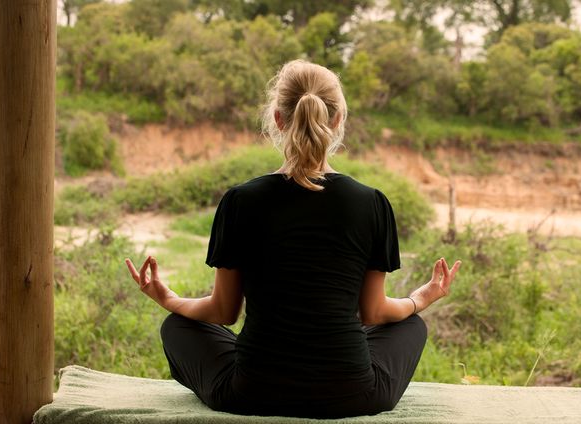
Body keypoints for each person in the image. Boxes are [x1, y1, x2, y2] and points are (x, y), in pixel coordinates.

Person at [125, 59, 461, 419]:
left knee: (177, 325)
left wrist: (170, 299)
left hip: (252, 391)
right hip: (354, 394)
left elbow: (223, 312)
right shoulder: (371, 203)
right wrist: (420, 298)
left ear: (277, 119)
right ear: (338, 120)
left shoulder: (241, 200)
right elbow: (375, 313)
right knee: (410, 323)